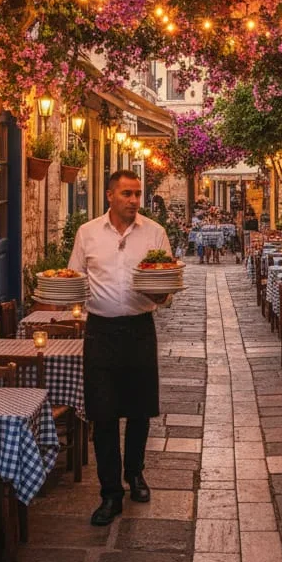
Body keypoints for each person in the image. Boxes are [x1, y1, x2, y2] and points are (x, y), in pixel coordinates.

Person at [68, 170, 171, 526]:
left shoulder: (155, 233)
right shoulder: (88, 233)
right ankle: (110, 493)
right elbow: (74, 278)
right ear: (109, 195)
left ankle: (136, 474)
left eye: (137, 194)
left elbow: (167, 281)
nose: (133, 200)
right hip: (100, 332)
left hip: (140, 329)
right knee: (104, 415)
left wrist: (162, 293)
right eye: (127, 193)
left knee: (140, 412)